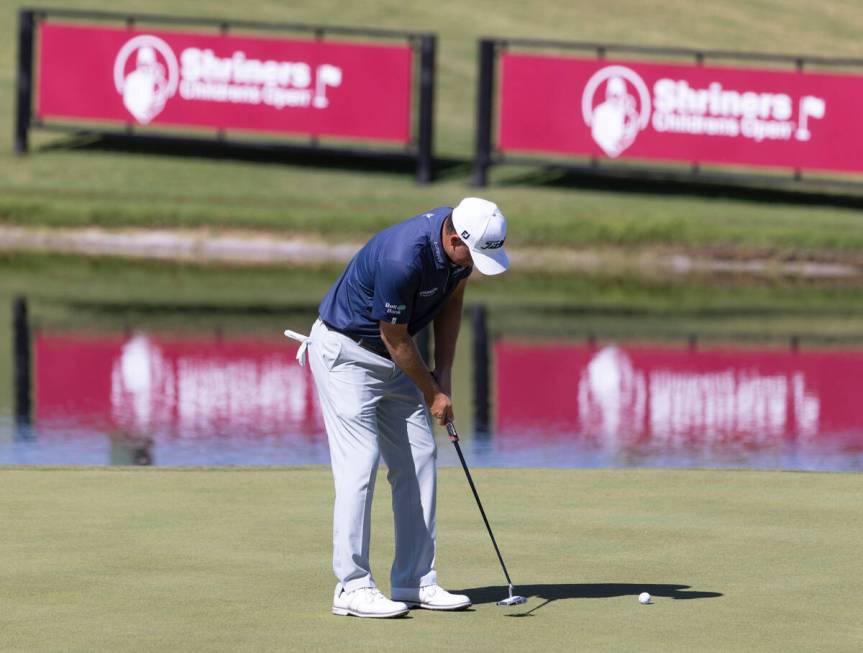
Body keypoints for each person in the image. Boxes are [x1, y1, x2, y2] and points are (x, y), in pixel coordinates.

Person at [306, 197, 509, 618]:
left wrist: (445, 372)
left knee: (419, 456)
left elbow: (452, 303)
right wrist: (433, 393)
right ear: (454, 238)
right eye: (473, 255)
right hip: (347, 353)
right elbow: (395, 337)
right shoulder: (404, 258)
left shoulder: (458, 254)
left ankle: (415, 580)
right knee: (360, 465)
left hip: (395, 356)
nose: (474, 264)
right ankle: (352, 587)